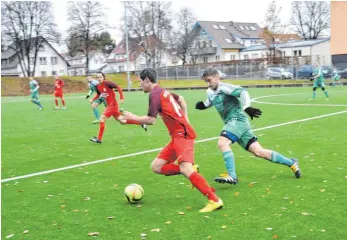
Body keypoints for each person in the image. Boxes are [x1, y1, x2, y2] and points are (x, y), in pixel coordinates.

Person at [123, 68, 223, 213]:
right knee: (156, 166)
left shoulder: (155, 94)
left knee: (185, 169)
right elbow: (181, 99)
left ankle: (214, 200)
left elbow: (151, 120)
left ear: (147, 80)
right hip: (177, 135)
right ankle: (192, 172)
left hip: (182, 135)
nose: (139, 85)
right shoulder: (163, 91)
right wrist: (186, 120)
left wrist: (133, 117)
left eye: (140, 81)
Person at [195, 68, 301, 185]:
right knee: (259, 152)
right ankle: (291, 163)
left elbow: (242, 92)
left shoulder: (225, 88)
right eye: (206, 81)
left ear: (216, 77)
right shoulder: (209, 91)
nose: (208, 84)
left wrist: (247, 107)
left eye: (209, 80)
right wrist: (204, 105)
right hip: (236, 125)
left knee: (222, 143)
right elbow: (212, 100)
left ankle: (232, 176)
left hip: (237, 120)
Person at [90, 72, 147, 144]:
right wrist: (93, 99)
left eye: (100, 77)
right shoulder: (98, 86)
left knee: (102, 118)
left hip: (113, 106)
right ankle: (141, 123)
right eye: (97, 77)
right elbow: (99, 94)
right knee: (122, 121)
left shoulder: (107, 83)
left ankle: (99, 139)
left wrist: (121, 97)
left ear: (103, 77)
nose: (99, 78)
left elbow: (118, 87)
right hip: (111, 106)